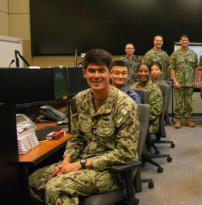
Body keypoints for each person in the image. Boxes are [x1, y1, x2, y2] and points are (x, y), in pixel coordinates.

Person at [29, 49, 139, 205]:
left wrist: (80, 164)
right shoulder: (80, 100)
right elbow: (77, 138)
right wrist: (66, 161)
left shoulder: (125, 105)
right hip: (82, 162)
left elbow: (126, 154)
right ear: (84, 73)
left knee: (56, 187)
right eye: (91, 71)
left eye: (101, 70)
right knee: (33, 181)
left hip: (113, 171)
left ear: (110, 73)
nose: (96, 75)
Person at [170, 34, 198, 129]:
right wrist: (175, 81)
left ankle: (187, 119)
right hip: (179, 83)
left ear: (188, 41)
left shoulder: (193, 53)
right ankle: (178, 120)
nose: (185, 42)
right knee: (178, 102)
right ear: (180, 41)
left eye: (186, 40)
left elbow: (196, 67)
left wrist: (195, 80)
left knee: (188, 102)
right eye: (183, 40)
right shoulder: (175, 54)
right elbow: (172, 68)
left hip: (190, 83)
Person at [131, 63, 163, 134]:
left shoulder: (154, 89)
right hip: (133, 120)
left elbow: (155, 112)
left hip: (150, 122)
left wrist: (135, 119)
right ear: (137, 73)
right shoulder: (132, 87)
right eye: (140, 71)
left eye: (146, 71)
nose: (143, 74)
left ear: (150, 73)